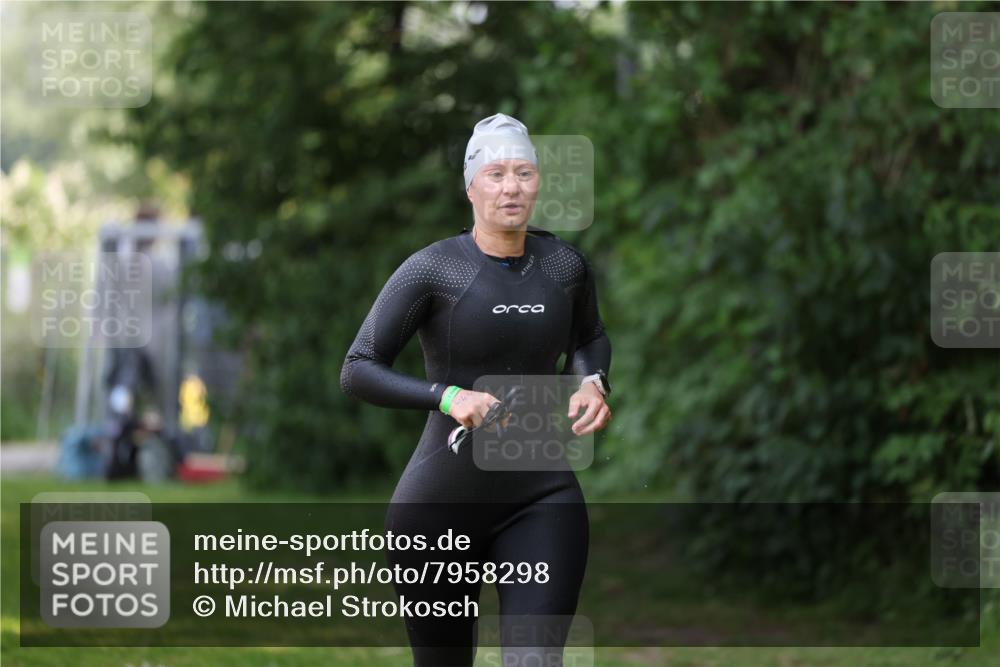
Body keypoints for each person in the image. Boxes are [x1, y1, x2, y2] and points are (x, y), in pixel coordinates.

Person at [340, 113, 612, 666]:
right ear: (470, 186)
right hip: (439, 504)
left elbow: (591, 336)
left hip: (543, 496)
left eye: (523, 173)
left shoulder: (564, 266)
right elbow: (359, 367)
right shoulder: (434, 269)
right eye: (495, 174)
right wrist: (447, 396)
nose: (511, 187)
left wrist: (592, 381)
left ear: (538, 181)